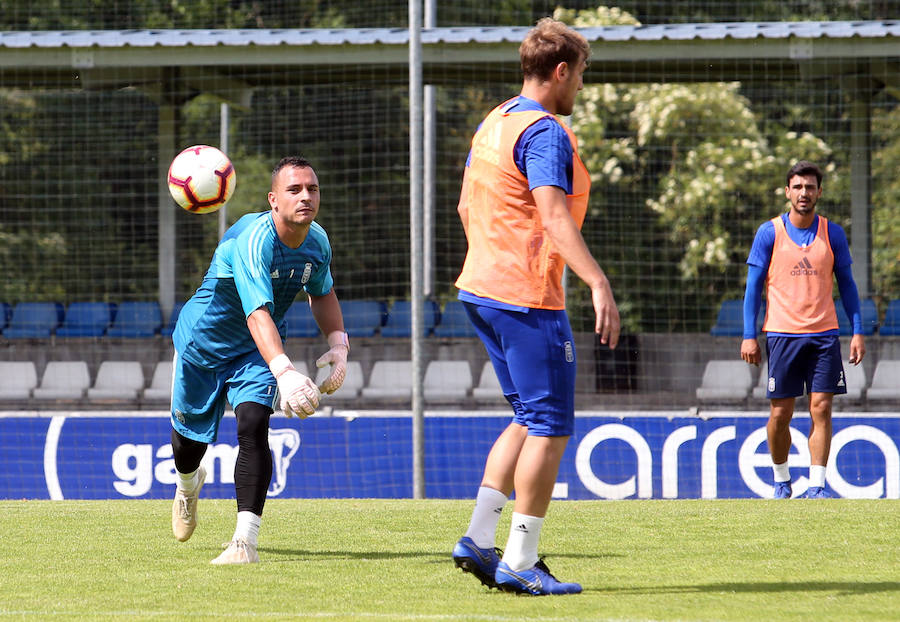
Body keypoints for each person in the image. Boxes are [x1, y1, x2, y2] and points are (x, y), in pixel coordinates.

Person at [450, 17, 620, 596]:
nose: (580, 90)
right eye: (582, 77)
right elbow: (551, 215)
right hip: (525, 297)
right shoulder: (545, 132)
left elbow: (464, 208)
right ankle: (521, 560)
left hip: (481, 288)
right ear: (562, 71)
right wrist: (597, 281)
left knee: (526, 417)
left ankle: (477, 538)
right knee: (549, 426)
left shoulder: (496, 121)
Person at [169, 156, 350, 564]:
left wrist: (339, 344)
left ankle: (243, 542)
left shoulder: (317, 241)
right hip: (203, 346)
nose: (306, 196)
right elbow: (256, 313)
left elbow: (321, 292)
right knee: (187, 448)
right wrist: (285, 372)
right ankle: (187, 484)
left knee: (253, 425)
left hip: (255, 350)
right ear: (273, 200)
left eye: (312, 188)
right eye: (294, 189)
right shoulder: (254, 239)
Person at [741, 160, 865, 500]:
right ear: (787, 192)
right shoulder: (769, 233)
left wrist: (857, 330)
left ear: (819, 192)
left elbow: (848, 286)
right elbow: (753, 289)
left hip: (824, 334)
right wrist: (749, 334)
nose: (804, 193)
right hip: (782, 334)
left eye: (810, 187)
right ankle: (782, 482)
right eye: (797, 187)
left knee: (821, 408)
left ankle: (818, 486)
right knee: (781, 413)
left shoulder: (832, 233)